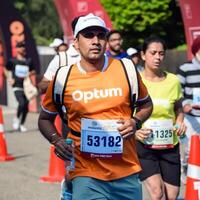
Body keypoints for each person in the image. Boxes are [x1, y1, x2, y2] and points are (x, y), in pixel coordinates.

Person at [38, 13, 153, 200]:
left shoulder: (126, 69)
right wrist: (56, 140)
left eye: (101, 35)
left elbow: (146, 104)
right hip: (86, 173)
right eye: (88, 35)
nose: (96, 40)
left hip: (127, 171)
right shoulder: (63, 77)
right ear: (75, 43)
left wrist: (135, 121)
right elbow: (45, 118)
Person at [135, 36, 186, 200]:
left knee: (172, 195)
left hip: (169, 145)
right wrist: (135, 131)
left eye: (161, 53)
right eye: (153, 53)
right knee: (157, 192)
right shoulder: (136, 81)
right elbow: (124, 111)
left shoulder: (173, 81)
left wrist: (179, 121)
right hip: (144, 145)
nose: (157, 57)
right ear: (143, 55)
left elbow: (178, 107)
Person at [176, 35, 200, 184]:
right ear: (197, 50)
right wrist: (185, 104)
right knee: (190, 149)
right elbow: (178, 92)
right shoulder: (185, 68)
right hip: (190, 116)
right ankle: (185, 170)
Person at [4, 41, 35, 132]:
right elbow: (5, 69)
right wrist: (9, 78)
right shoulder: (12, 61)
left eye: (23, 46)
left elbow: (33, 71)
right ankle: (16, 119)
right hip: (16, 85)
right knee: (21, 103)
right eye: (20, 46)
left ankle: (21, 124)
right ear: (17, 49)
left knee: (26, 106)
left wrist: (29, 73)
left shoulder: (28, 60)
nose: (22, 48)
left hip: (26, 86)